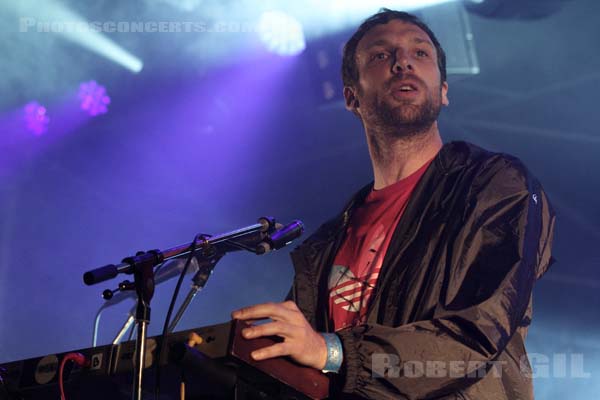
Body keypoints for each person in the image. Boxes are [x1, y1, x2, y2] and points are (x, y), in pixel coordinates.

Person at [232, 9, 555, 400]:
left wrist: (332, 352)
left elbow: (480, 328)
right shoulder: (329, 243)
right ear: (351, 97)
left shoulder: (493, 184)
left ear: (444, 90)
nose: (402, 61)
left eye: (420, 54)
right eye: (381, 56)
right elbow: (298, 371)